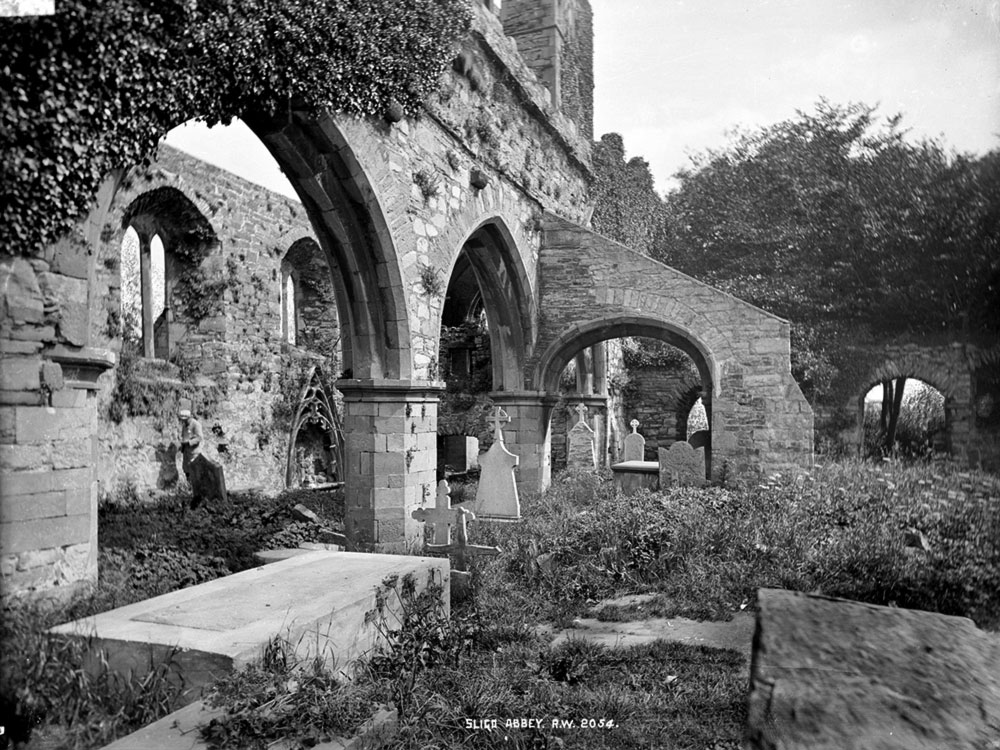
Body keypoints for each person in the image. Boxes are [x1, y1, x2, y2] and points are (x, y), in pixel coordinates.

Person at [178, 408, 204, 506]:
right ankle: (189, 489)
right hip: (187, 452)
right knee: (186, 470)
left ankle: (197, 492)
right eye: (182, 420)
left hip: (194, 452)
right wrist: (182, 445)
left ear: (190, 417)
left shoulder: (196, 424)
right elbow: (183, 436)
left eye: (185, 419)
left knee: (195, 472)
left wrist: (189, 442)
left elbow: (199, 437)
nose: (184, 421)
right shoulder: (184, 425)